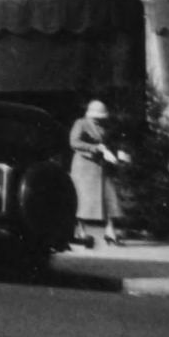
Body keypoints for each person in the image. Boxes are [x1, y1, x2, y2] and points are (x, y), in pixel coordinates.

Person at [69, 99, 124, 246]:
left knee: (109, 196)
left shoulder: (103, 126)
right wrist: (94, 148)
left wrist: (111, 153)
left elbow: (106, 143)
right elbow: (74, 142)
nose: (98, 119)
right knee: (82, 199)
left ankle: (110, 230)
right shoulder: (81, 123)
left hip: (100, 165)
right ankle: (81, 230)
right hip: (84, 166)